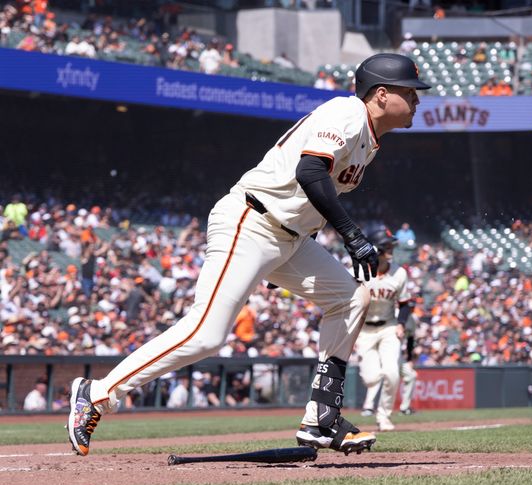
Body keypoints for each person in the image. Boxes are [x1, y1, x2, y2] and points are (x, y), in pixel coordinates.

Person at [66, 53, 430, 456]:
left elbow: (307, 192)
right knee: (206, 334)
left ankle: (321, 418)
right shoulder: (347, 112)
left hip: (288, 238)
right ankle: (97, 394)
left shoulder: (370, 139)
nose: (417, 100)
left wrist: (294, 254)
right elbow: (310, 171)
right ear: (381, 94)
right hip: (251, 221)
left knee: (350, 298)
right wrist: (351, 234)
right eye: (410, 92)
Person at [356, 228, 412, 431]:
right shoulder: (360, 270)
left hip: (388, 326)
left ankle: (384, 416)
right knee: (371, 378)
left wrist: (401, 324)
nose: (391, 249)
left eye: (391, 245)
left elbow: (404, 304)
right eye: (386, 246)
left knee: (392, 373)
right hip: (364, 330)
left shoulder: (399, 272)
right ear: (375, 248)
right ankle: (376, 407)